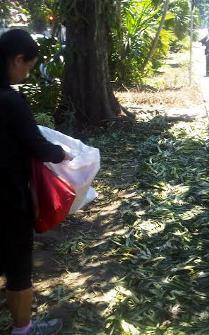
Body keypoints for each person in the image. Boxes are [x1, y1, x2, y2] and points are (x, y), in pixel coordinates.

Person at [0, 29, 71, 335]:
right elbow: (39, 148)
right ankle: (23, 329)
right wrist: (64, 153)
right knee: (18, 269)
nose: (27, 73)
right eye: (27, 66)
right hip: (8, 200)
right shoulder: (10, 101)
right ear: (17, 60)